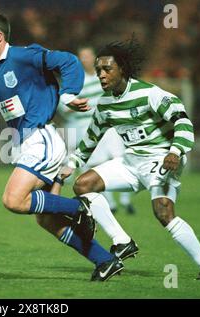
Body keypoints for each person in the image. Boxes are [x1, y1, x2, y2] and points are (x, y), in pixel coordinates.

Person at [0, 13, 123, 282]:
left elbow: (68, 61)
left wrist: (67, 94)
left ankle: (79, 208)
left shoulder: (25, 56)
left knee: (13, 199)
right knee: (46, 220)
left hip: (41, 139)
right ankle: (105, 260)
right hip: (27, 144)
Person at [59, 38, 200, 280]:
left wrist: (175, 151)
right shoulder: (105, 104)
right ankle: (122, 240)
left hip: (161, 159)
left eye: (107, 69)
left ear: (122, 69)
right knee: (83, 184)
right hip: (132, 162)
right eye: (98, 71)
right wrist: (72, 163)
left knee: (163, 212)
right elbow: (91, 138)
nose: (101, 75)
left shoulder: (150, 94)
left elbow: (183, 121)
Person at [58, 46, 135, 215]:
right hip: (88, 127)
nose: (85, 59)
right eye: (82, 57)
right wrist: (76, 105)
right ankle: (111, 203)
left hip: (111, 125)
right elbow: (63, 108)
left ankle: (126, 201)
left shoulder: (106, 77)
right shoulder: (76, 81)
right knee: (98, 166)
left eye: (88, 56)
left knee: (122, 159)